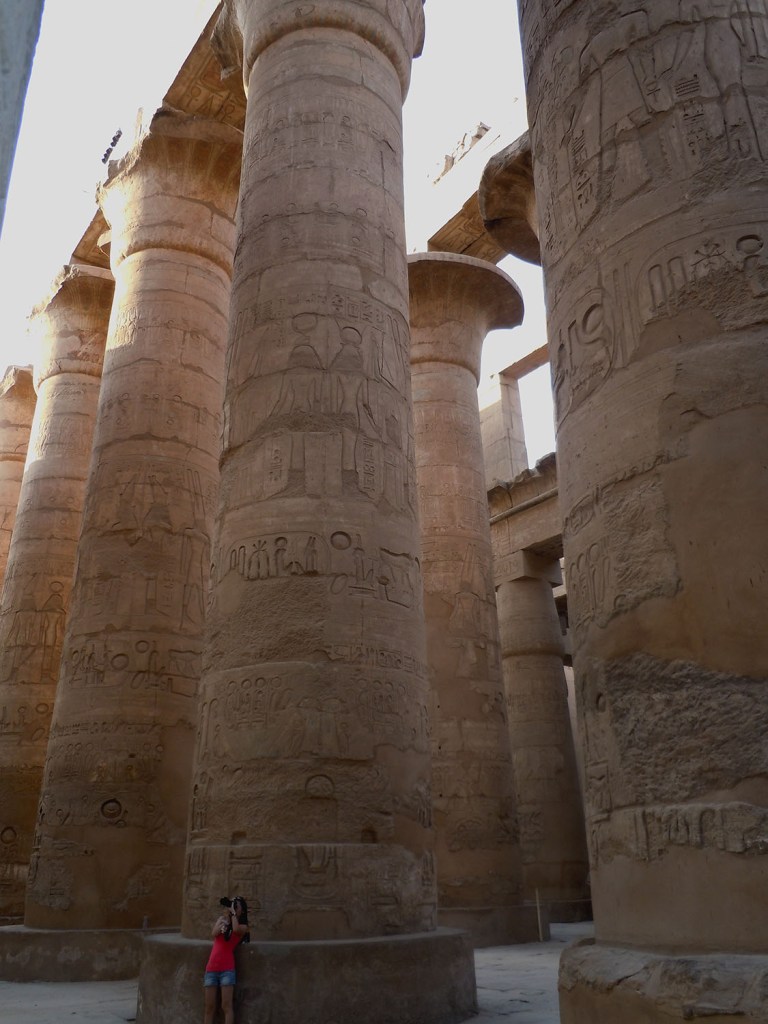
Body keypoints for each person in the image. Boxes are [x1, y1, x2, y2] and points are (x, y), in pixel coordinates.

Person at [203, 896, 250, 1024]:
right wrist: (224, 922)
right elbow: (214, 933)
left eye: (236, 905)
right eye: (232, 905)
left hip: (227, 970)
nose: (233, 907)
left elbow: (236, 930)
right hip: (211, 969)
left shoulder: (243, 926)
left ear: (243, 910)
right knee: (209, 1007)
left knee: (226, 1006)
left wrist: (234, 914)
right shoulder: (223, 920)